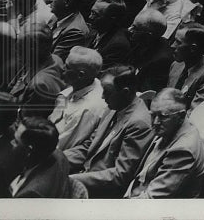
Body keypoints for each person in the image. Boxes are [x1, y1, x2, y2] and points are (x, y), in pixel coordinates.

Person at [65, 65, 155, 198]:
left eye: (107, 92)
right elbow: (90, 145)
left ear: (125, 91)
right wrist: (58, 158)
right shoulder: (113, 107)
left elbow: (121, 175)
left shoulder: (139, 123)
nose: (102, 97)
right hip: (84, 175)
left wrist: (71, 180)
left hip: (102, 192)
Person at [124, 88, 204, 198]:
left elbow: (153, 198)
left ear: (181, 116)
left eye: (163, 116)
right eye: (152, 115)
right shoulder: (170, 128)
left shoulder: (183, 150)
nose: (155, 122)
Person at [49, 46, 108, 151]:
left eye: (67, 67)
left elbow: (60, 146)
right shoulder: (86, 82)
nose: (62, 68)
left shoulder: (87, 110)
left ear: (80, 75)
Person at [9, 117, 74, 197]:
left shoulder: (30, 194)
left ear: (29, 151)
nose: (11, 142)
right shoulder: (59, 155)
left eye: (16, 142)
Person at [167, 22, 204, 108]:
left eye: (178, 42)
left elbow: (194, 113)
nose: (172, 45)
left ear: (193, 48)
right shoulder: (176, 65)